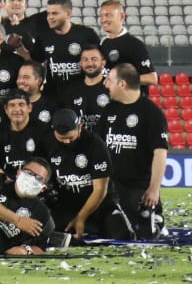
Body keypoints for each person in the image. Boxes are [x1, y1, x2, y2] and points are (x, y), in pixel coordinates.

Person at [98, 63, 169, 239]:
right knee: (112, 229)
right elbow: (98, 146)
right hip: (111, 185)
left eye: (109, 80)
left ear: (122, 84)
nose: (105, 84)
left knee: (143, 233)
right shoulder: (109, 110)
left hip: (137, 187)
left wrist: (154, 189)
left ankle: (154, 216)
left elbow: (160, 153)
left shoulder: (151, 113)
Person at [0, 157, 56, 256]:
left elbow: (42, 246)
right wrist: (17, 220)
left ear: (43, 188)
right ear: (19, 172)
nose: (31, 178)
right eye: (28, 172)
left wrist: (26, 250)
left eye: (38, 178)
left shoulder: (41, 211)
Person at [45, 108, 112, 240]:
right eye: (62, 138)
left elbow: (100, 189)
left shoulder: (96, 144)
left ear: (80, 127)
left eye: (71, 137)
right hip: (65, 206)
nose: (67, 142)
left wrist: (81, 217)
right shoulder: (46, 143)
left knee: (119, 233)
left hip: (99, 204)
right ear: (53, 129)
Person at [32, 0, 100, 103]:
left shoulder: (86, 34)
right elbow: (34, 61)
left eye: (54, 13)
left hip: (82, 95)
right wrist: (19, 47)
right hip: (53, 96)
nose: (50, 17)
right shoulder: (43, 36)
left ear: (68, 14)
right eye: (48, 13)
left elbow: (99, 62)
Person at [97, 0, 157, 90]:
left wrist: (120, 80)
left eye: (108, 15)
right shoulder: (103, 43)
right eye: (101, 16)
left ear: (121, 16)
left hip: (129, 102)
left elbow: (151, 78)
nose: (103, 20)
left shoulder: (135, 44)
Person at [0, 90, 47, 178]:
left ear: (29, 107)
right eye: (12, 105)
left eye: (21, 104)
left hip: (34, 182)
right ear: (6, 109)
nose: (17, 109)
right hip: (6, 182)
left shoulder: (42, 130)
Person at [65, 43, 111, 131]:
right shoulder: (71, 90)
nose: (89, 63)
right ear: (81, 63)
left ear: (103, 63)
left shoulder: (111, 88)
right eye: (85, 60)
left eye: (94, 59)